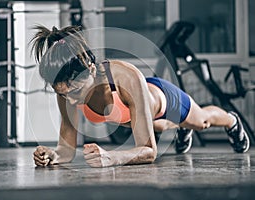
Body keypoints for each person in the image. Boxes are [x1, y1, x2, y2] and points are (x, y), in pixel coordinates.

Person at [31, 25, 250, 168]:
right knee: (160, 127)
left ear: (90, 68)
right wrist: (54, 155)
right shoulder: (67, 87)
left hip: (163, 99)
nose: (70, 101)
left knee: (201, 121)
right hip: (135, 117)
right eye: (62, 94)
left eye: (76, 92)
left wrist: (112, 157)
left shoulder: (125, 77)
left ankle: (231, 120)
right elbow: (67, 148)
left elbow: (149, 151)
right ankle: (181, 128)